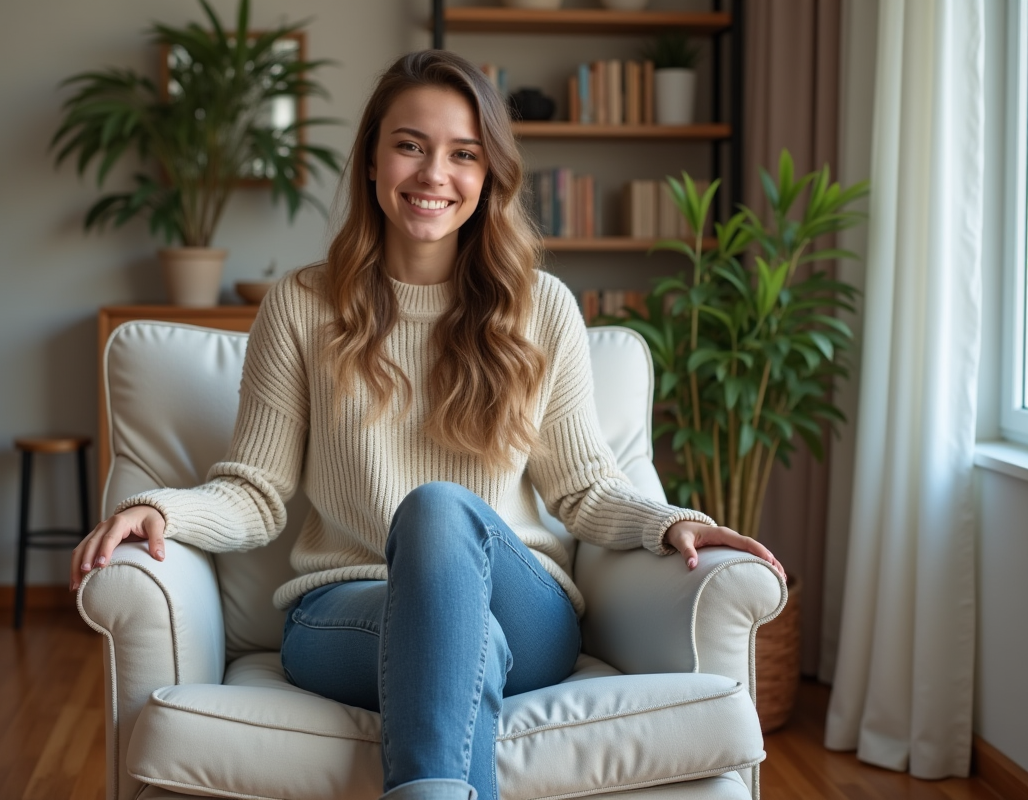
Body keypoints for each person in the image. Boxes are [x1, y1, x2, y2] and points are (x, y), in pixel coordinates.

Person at [70, 50, 785, 800]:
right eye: (410, 145)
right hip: (344, 612)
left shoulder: (539, 308)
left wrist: (673, 522)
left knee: (440, 509)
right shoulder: (302, 307)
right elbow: (255, 493)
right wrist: (158, 506)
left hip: (524, 608)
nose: (433, 174)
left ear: (488, 176)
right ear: (373, 161)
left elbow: (585, 490)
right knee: (463, 640)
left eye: (463, 154)